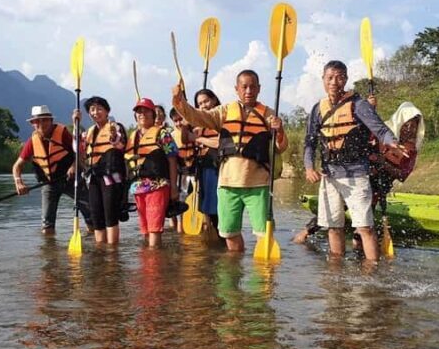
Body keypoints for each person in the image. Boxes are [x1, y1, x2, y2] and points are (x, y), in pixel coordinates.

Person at [171, 70, 289, 252]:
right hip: (227, 184)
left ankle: (263, 278)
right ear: (237, 89)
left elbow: (280, 147)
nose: (248, 90)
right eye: (244, 87)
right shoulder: (224, 111)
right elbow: (197, 116)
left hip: (258, 184)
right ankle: (234, 270)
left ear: (259, 89)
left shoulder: (268, 114)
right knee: (229, 234)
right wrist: (180, 102)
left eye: (252, 86)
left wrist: (279, 130)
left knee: (263, 234)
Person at [302, 60, 404, 262]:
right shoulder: (317, 109)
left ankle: (372, 272)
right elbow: (309, 143)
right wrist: (308, 167)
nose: (334, 82)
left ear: (346, 79)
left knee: (364, 227)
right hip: (329, 176)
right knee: (333, 227)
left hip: (356, 175)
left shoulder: (359, 105)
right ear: (323, 79)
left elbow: (380, 130)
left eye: (339, 77)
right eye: (330, 77)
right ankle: (336, 272)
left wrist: (392, 142)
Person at [12, 105, 93, 235]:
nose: (41, 124)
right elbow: (17, 166)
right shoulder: (32, 142)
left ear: (51, 120)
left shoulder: (63, 133)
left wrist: (73, 166)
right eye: (37, 121)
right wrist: (19, 182)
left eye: (44, 120)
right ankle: (49, 251)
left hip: (71, 180)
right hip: (49, 184)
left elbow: (80, 152)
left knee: (91, 216)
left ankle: (96, 242)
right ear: (33, 123)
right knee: (47, 227)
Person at [125, 97, 180, 247]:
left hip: (158, 185)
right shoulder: (132, 137)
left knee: (154, 228)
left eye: (146, 111)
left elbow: (172, 160)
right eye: (138, 111)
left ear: (153, 114)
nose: (142, 114)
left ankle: (154, 263)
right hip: (137, 187)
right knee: (145, 229)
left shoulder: (162, 134)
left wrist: (174, 188)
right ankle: (147, 263)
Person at [77, 96, 128, 246]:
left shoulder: (115, 127)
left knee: (110, 214)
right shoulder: (88, 133)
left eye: (99, 109)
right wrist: (76, 124)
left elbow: (119, 144)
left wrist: (113, 137)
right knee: (96, 215)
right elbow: (78, 149)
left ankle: (112, 252)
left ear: (107, 111)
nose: (95, 112)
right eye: (92, 109)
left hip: (111, 176)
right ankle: (100, 249)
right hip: (93, 177)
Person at [192, 89, 224, 244]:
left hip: (217, 169)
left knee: (217, 211)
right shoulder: (200, 123)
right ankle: (214, 244)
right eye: (199, 104)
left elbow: (220, 143)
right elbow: (186, 139)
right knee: (207, 211)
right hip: (204, 170)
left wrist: (200, 139)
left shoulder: (221, 119)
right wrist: (187, 126)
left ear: (214, 100)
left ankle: (223, 242)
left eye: (206, 101)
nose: (203, 105)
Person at [169, 108, 197, 233]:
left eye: (181, 119)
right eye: (176, 121)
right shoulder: (171, 136)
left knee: (198, 202)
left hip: (196, 173)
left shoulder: (195, 131)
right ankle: (180, 233)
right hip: (182, 176)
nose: (179, 123)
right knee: (181, 205)